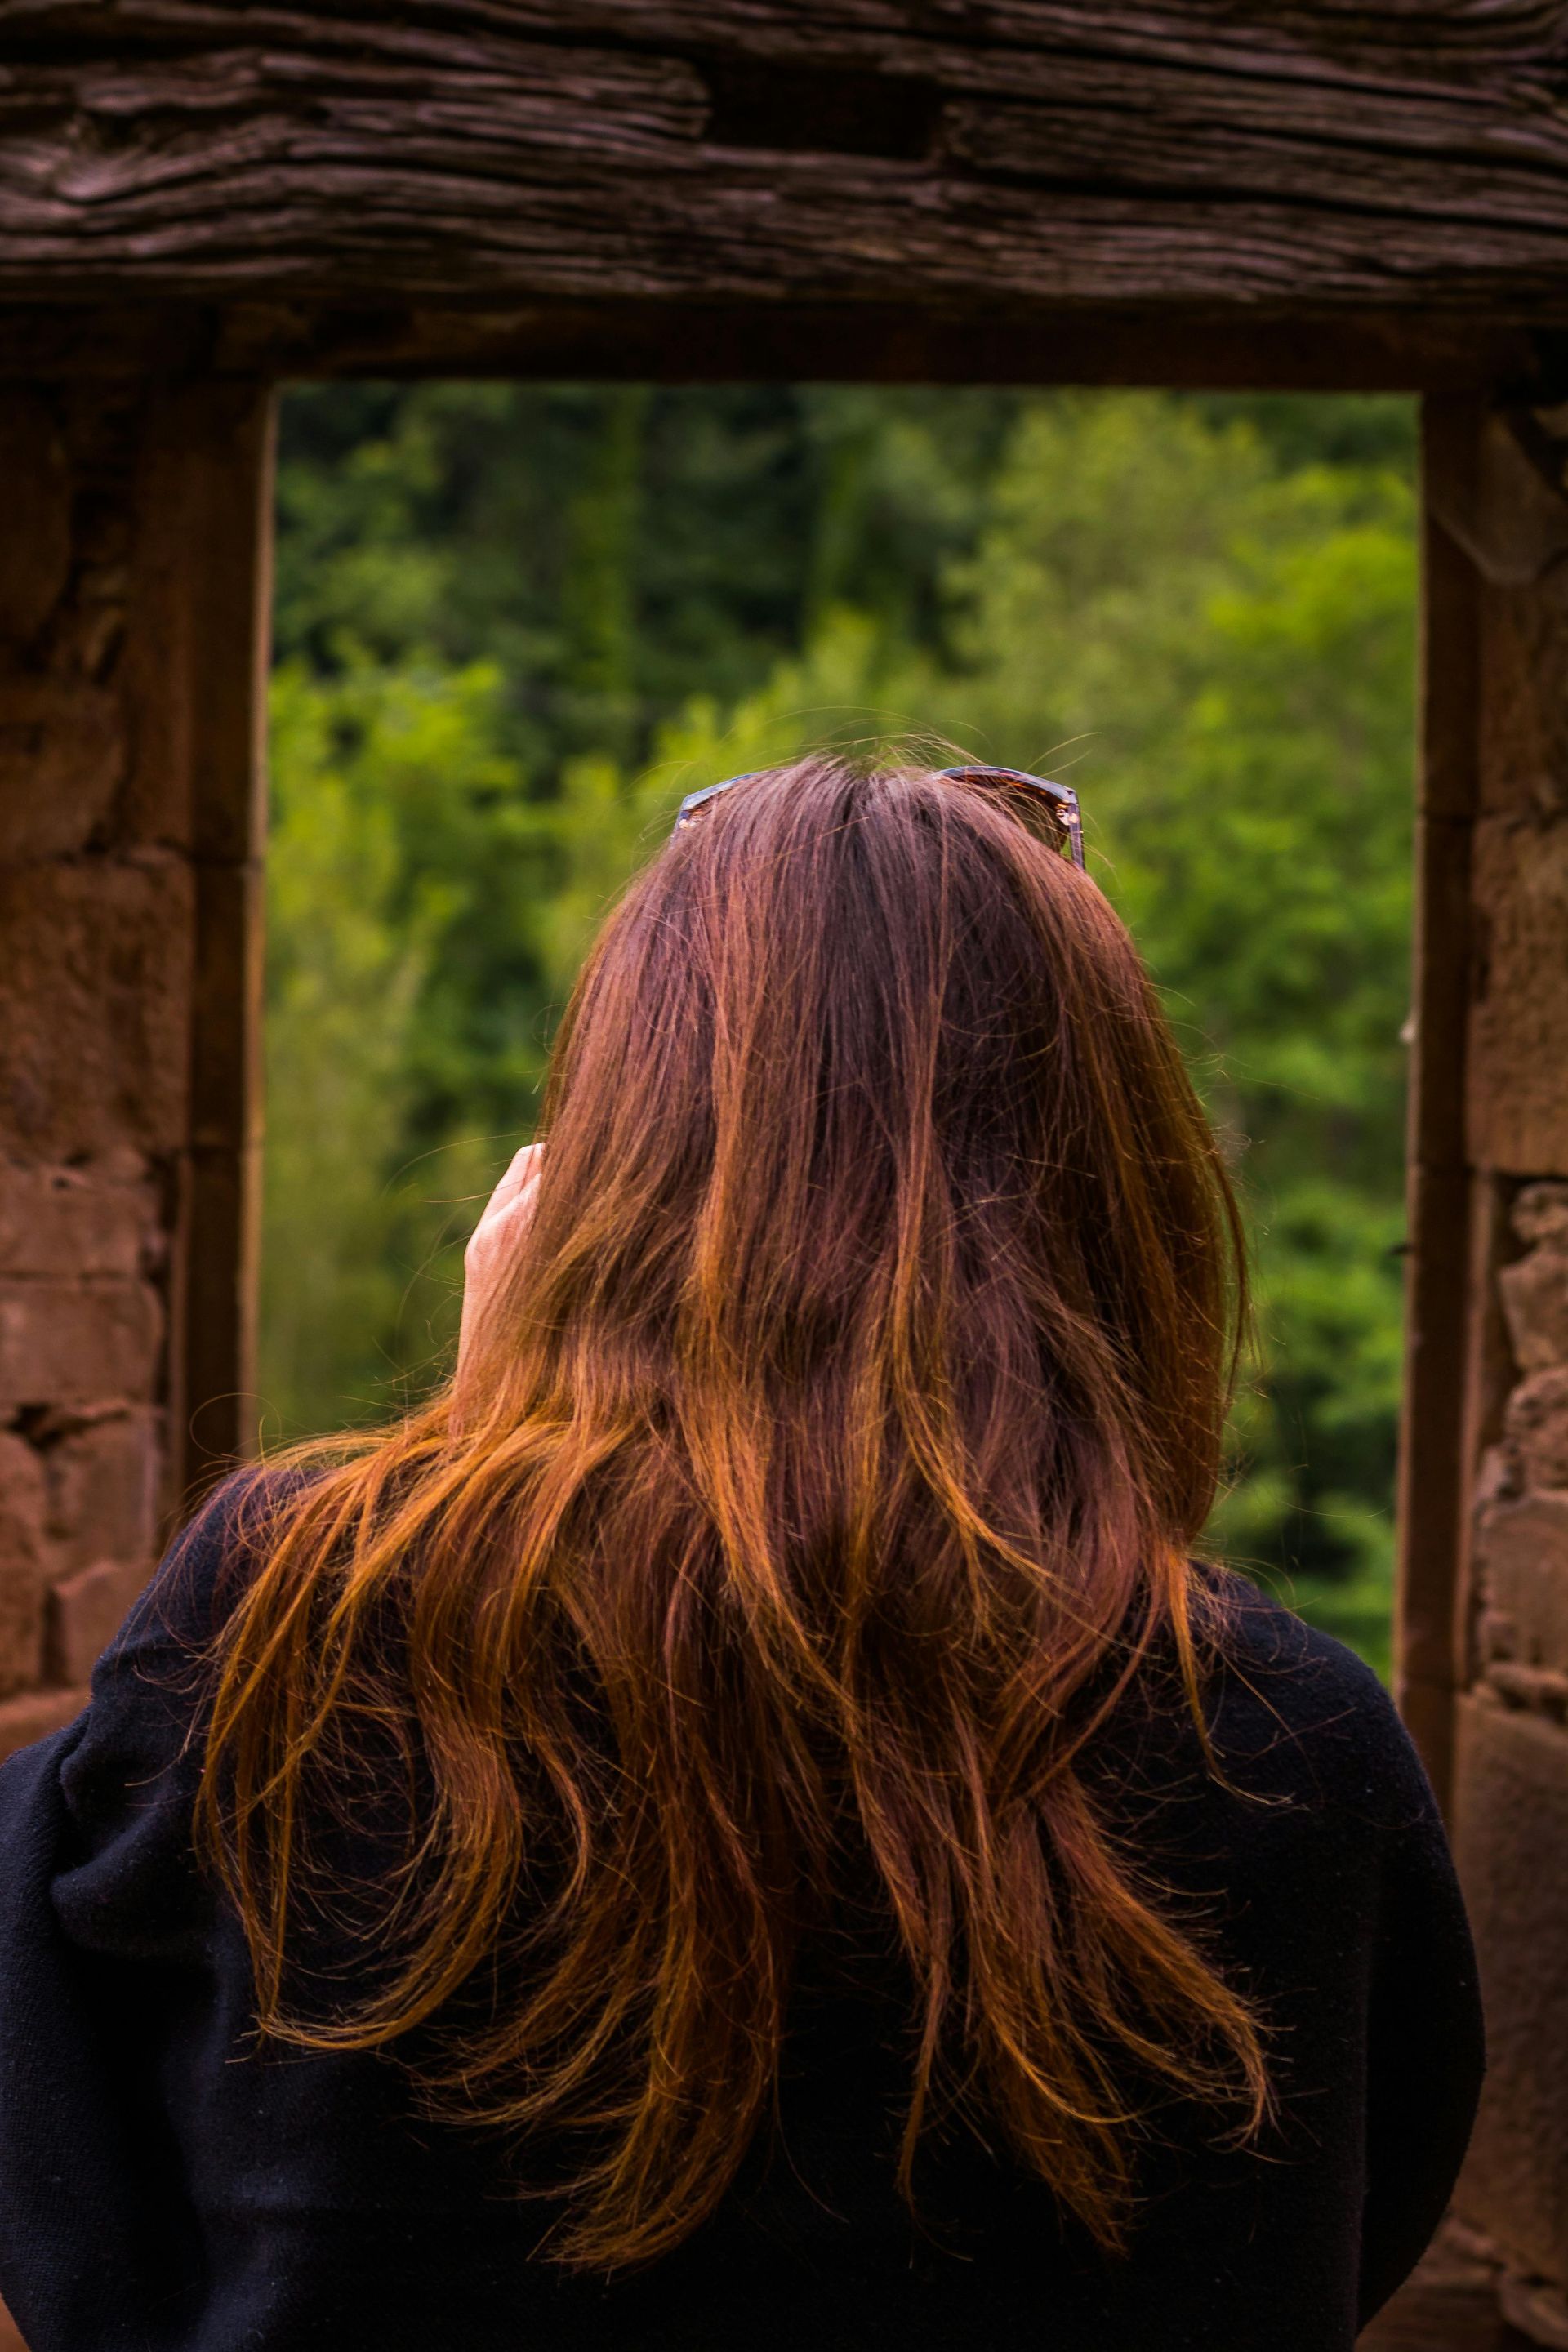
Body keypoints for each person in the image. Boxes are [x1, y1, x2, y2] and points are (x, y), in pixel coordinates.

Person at [0, 757, 1481, 2351]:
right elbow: (1330, 2233)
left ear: (591, 1192)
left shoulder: (295, 1623)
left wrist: (489, 1436)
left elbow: (71, 2116)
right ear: (1116, 1203)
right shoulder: (1290, 1747)